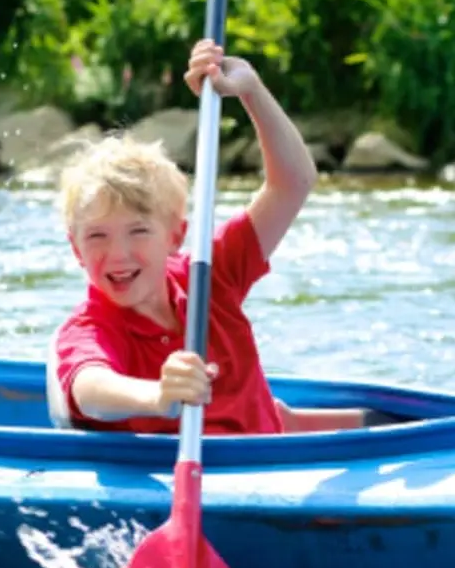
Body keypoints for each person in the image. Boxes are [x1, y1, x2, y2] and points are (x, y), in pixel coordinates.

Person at [47, 39, 370, 435]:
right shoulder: (90, 329)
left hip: (274, 462)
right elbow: (89, 389)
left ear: (176, 236)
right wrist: (158, 397)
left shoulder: (210, 271)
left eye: (139, 230)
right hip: (198, 479)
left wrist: (251, 91)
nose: (118, 253)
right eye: (97, 235)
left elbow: (293, 184)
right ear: (76, 249)